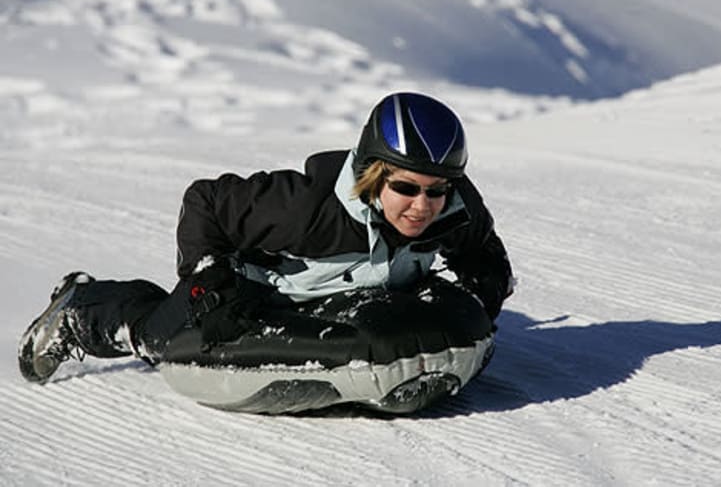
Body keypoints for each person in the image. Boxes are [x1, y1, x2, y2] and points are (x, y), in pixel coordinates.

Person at [18, 92, 515, 385]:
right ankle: (83, 310)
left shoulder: (455, 209)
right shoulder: (304, 207)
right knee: (163, 338)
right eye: (405, 188)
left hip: (337, 299)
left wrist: (484, 289)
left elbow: (482, 253)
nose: (422, 206)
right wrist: (209, 273)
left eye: (436, 190)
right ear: (373, 174)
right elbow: (205, 201)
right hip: (251, 289)